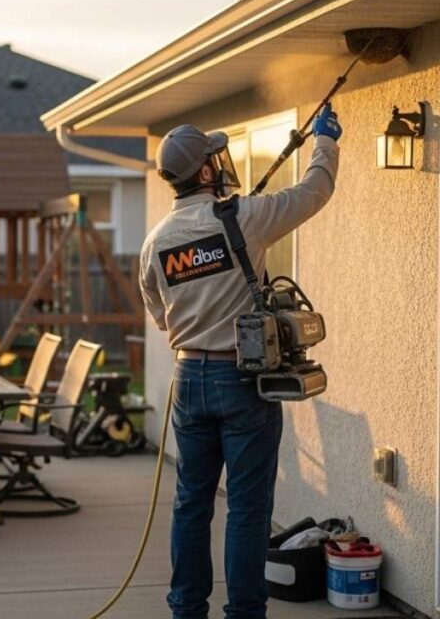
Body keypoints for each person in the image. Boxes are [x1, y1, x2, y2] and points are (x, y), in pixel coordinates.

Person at [139, 106, 341, 619]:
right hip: (241, 380)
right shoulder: (245, 217)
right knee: (248, 508)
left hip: (188, 378)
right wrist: (324, 141)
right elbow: (314, 192)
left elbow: (161, 318)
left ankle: (186, 610)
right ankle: (245, 613)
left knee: (192, 503)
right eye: (214, 156)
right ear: (207, 169)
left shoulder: (156, 242)